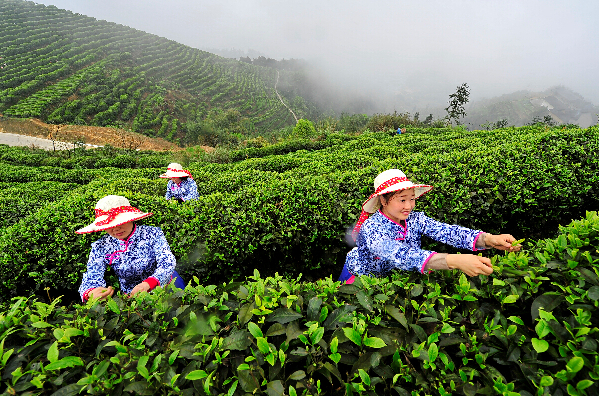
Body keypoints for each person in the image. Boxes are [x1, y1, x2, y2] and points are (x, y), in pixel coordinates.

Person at [339, 169, 521, 284]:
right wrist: (455, 261)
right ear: (383, 201)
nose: (408, 206)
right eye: (402, 200)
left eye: (411, 199)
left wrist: (488, 239)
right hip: (362, 280)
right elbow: (401, 254)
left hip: (395, 280)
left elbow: (447, 232)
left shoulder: (415, 219)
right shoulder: (372, 229)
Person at [77, 195, 185, 302]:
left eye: (120, 222)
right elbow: (92, 275)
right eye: (109, 225)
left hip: (165, 284)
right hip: (132, 295)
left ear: (131, 219)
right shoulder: (101, 246)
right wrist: (92, 292)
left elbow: (167, 261)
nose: (116, 228)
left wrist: (149, 283)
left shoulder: (152, 233)